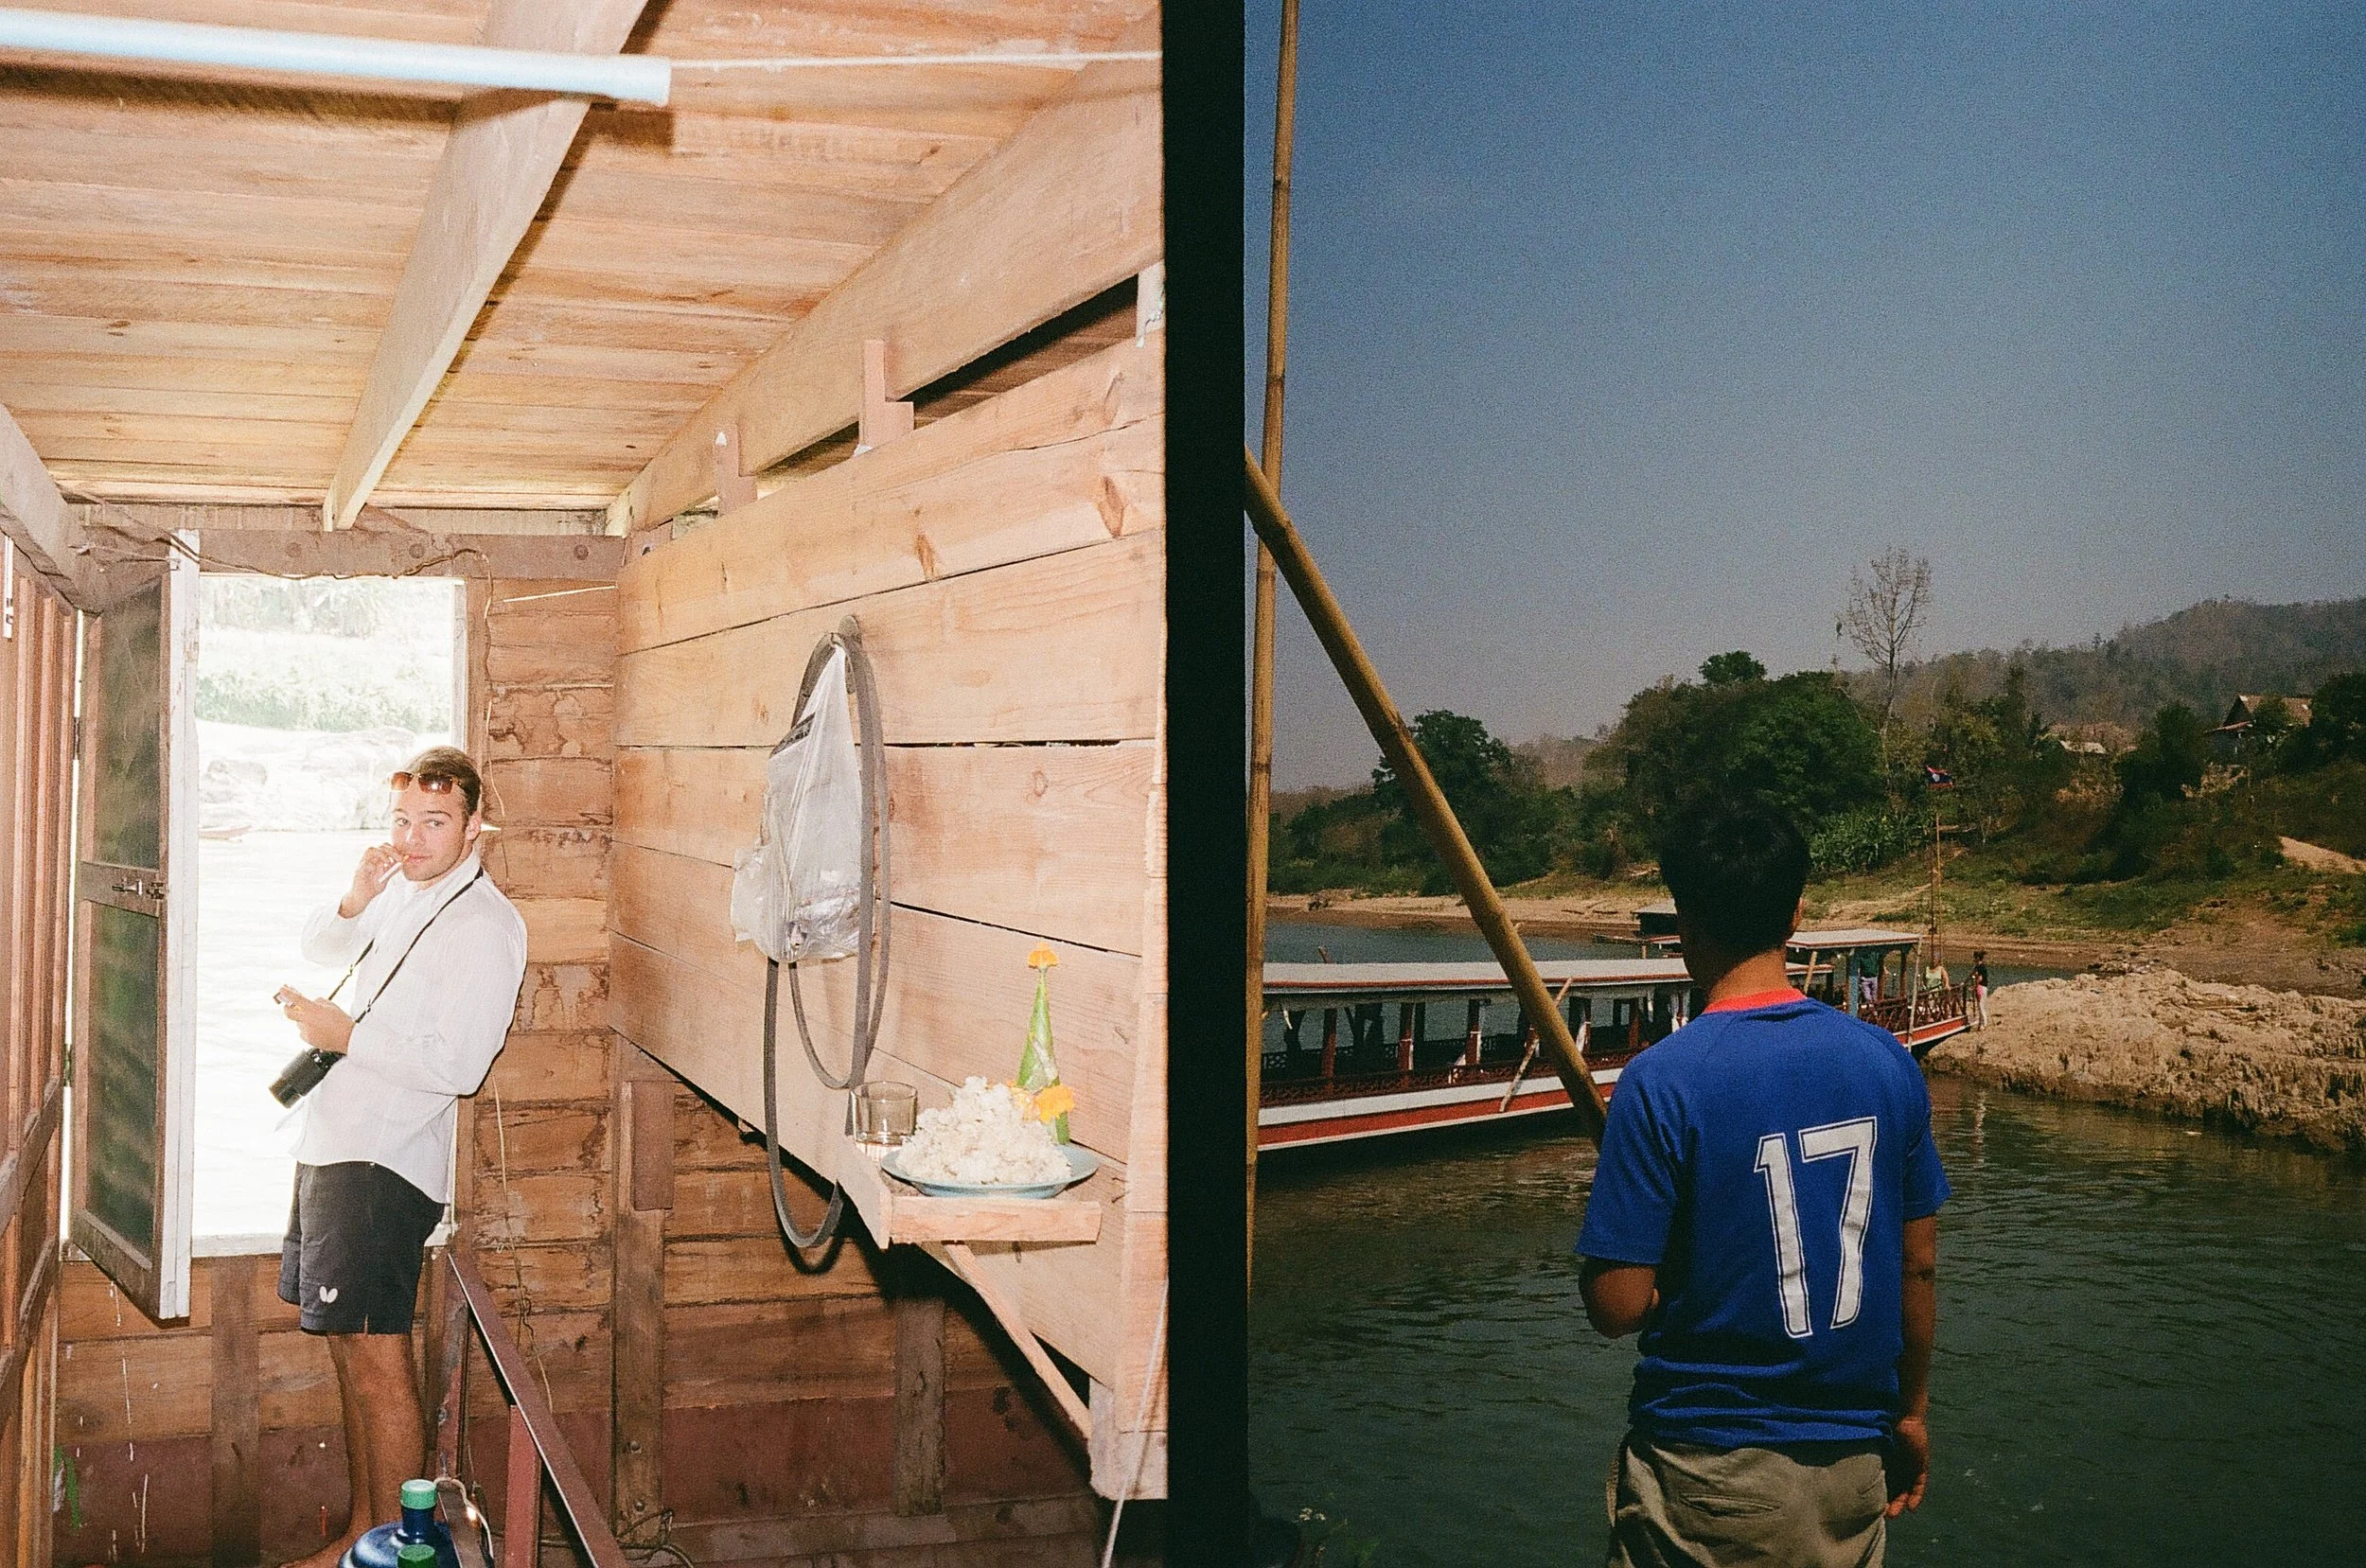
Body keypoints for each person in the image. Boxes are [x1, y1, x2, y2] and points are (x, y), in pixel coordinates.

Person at [1577, 799, 1947, 1568]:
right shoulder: (1889, 1065)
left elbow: (1617, 1307)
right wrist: (1909, 1414)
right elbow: (1917, 1264)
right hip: (1851, 1468)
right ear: (1797, 912)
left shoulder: (1660, 1081)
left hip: (1706, 1475)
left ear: (1684, 921)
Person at [273, 747, 526, 1568]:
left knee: (381, 1356)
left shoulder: (488, 925)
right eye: (403, 821)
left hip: (387, 1165)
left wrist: (345, 1035)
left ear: (474, 824)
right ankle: (363, 1539)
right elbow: (319, 942)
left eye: (435, 822)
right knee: (349, 1345)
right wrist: (356, 895)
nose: (414, 839)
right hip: (336, 1148)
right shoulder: (402, 893)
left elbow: (459, 1064)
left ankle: (399, 1551)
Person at [1969, 951, 1990, 1030]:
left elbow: (1980, 978)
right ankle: (1981, 1022)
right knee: (1979, 1005)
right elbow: (1971, 974)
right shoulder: (1976, 967)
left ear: (1977, 958)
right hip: (1979, 987)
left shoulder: (1981, 967)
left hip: (1981, 987)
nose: (1973, 959)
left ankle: (1984, 1023)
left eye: (1974, 957)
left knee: (1981, 1005)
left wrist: (1974, 987)